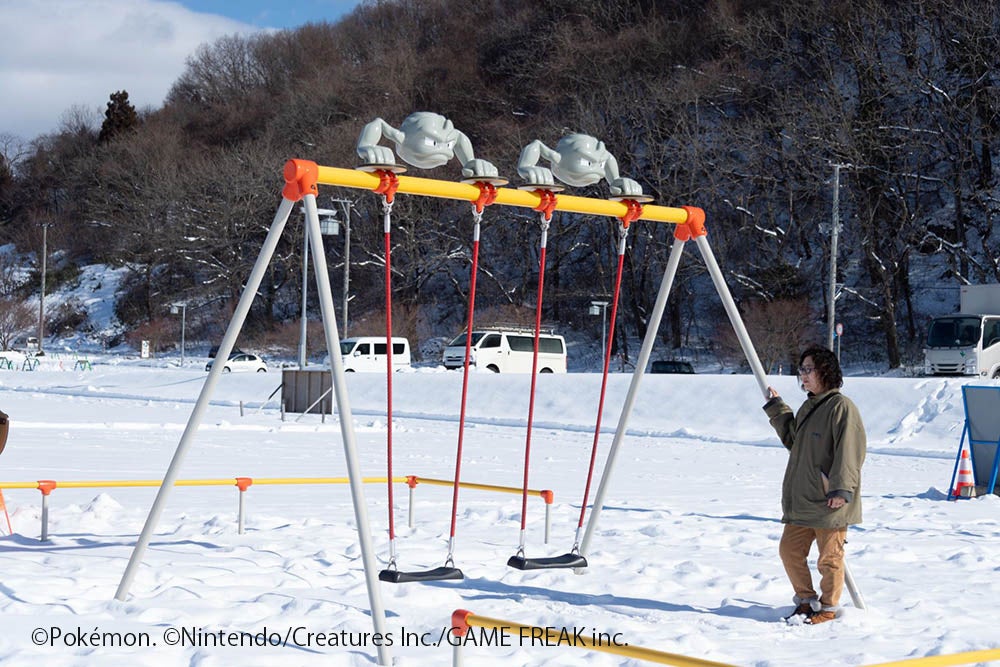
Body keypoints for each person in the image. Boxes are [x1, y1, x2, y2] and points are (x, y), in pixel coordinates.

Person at [763, 345, 866, 624]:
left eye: (808, 369)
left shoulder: (841, 407)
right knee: (789, 550)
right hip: (803, 498)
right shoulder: (810, 405)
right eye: (802, 370)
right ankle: (806, 600)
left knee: (829, 559)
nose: (803, 376)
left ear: (825, 371)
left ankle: (829, 608)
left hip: (829, 499)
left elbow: (850, 451)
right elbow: (793, 441)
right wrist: (777, 408)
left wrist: (841, 489)